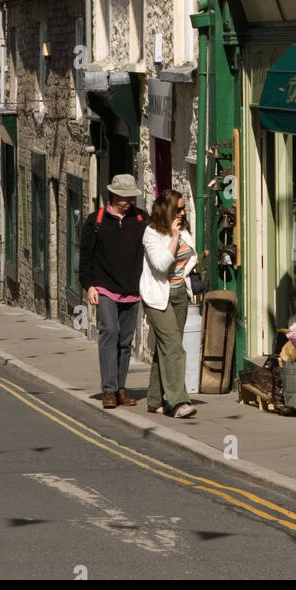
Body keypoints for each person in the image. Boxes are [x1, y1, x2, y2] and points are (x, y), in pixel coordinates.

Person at [79, 174, 146, 409]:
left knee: (125, 341)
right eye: (124, 197)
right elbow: (85, 258)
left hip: (132, 289)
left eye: (131, 197)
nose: (128, 201)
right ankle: (108, 390)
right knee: (109, 333)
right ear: (114, 195)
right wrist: (88, 286)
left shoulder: (140, 220)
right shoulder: (95, 221)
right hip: (104, 287)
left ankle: (120, 389)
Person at [141, 189, 198, 419]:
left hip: (179, 296)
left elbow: (189, 259)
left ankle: (154, 400)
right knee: (174, 347)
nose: (183, 213)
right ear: (166, 211)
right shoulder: (151, 234)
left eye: (184, 209)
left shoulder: (183, 229)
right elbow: (161, 266)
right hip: (157, 298)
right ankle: (178, 402)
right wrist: (173, 238)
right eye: (179, 209)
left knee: (166, 348)